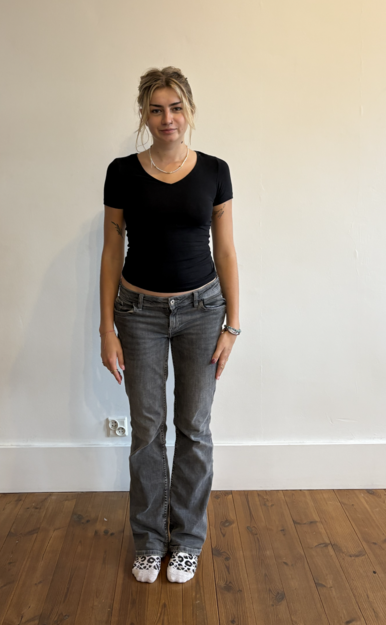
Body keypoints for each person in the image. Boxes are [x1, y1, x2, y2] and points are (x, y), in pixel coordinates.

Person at [99, 66, 240, 584]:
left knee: (194, 429)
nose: (167, 119)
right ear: (144, 113)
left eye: (176, 107)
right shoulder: (121, 172)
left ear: (189, 110)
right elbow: (111, 250)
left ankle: (186, 541)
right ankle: (149, 540)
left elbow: (226, 251)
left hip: (203, 312)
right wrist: (106, 328)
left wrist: (232, 325)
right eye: (156, 109)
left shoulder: (215, 171)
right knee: (147, 431)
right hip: (138, 315)